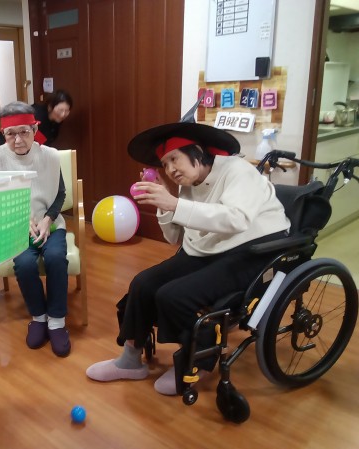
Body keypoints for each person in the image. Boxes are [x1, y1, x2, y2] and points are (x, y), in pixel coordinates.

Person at [86, 121, 291, 395]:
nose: (170, 169)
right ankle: (130, 360)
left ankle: (199, 361)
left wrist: (174, 203)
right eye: (165, 164)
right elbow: (174, 237)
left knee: (174, 295)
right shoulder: (189, 183)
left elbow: (237, 219)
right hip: (211, 246)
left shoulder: (238, 170)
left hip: (253, 248)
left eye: (174, 159)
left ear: (196, 151)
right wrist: (165, 204)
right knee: (143, 284)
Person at [0, 101, 71, 357]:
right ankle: (39, 317)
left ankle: (57, 321)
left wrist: (48, 219)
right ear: (3, 134)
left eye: (24, 131)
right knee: (24, 264)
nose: (18, 140)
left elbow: (60, 193)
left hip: (50, 223)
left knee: (56, 258)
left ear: (35, 129)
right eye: (10, 134)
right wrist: (20, 219)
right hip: (16, 226)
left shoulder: (50, 156)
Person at [0, 90, 73, 146]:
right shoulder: (37, 117)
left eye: (67, 111)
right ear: (50, 107)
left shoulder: (56, 120)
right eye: (60, 110)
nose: (63, 114)